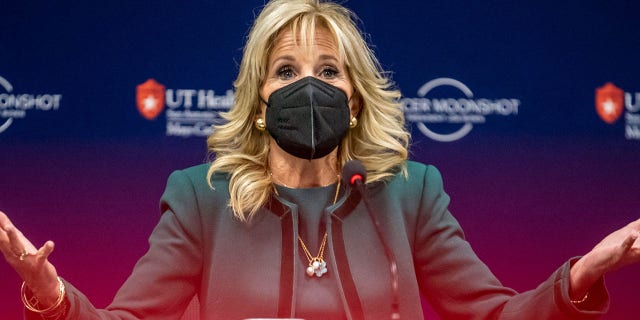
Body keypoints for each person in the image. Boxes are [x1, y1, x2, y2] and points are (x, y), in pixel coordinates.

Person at [1, 0, 639, 319]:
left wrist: (580, 275)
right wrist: (53, 297)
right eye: (286, 71)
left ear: (355, 101)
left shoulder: (409, 192)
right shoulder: (202, 196)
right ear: (257, 102)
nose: (309, 89)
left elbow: (496, 313)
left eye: (328, 71)